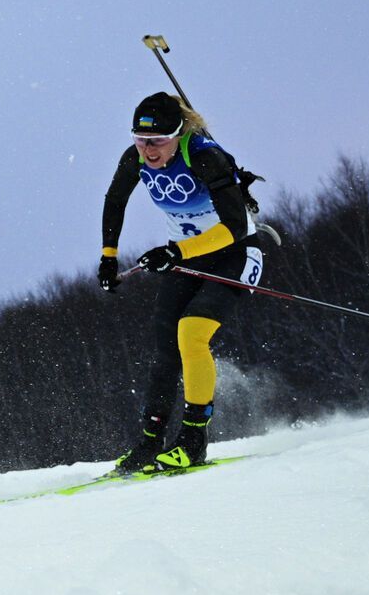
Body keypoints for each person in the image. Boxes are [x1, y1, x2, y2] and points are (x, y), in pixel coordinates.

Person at [98, 91, 264, 474]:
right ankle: (149, 443)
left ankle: (192, 441)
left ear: (177, 134)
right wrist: (108, 255)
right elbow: (115, 200)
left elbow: (235, 227)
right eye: (141, 140)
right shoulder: (134, 158)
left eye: (156, 141)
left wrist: (176, 252)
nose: (148, 150)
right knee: (166, 349)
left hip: (236, 253)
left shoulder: (204, 156)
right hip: (187, 257)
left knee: (191, 334)